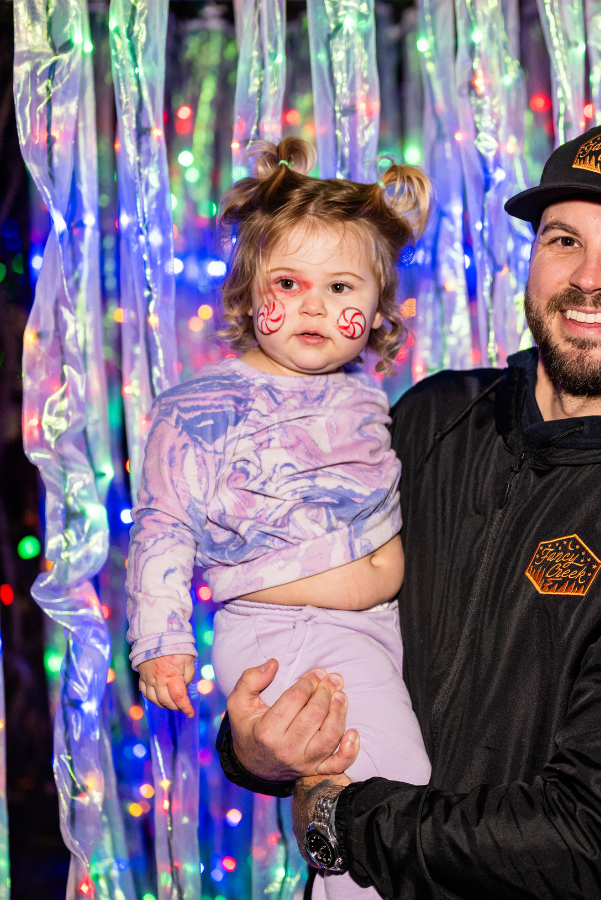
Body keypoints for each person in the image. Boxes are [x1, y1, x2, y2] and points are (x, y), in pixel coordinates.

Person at [216, 121, 601, 899]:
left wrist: (345, 825)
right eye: (563, 240)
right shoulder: (431, 420)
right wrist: (255, 750)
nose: (589, 278)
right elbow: (321, 617)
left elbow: (596, 837)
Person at [125, 137, 434, 899]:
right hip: (287, 628)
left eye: (340, 289)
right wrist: (160, 642)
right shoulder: (202, 406)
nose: (314, 307)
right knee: (396, 794)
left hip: (375, 629)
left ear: (377, 307)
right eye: (288, 283)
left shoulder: (362, 392)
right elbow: (162, 522)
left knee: (368, 798)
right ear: (246, 291)